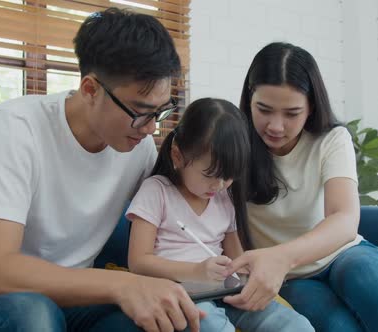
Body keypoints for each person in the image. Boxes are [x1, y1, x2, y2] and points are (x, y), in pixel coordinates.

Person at [0, 8, 205, 332]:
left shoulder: (136, 148)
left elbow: (183, 211)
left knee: (161, 318)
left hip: (69, 304)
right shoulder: (15, 128)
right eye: (140, 112)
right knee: (34, 315)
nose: (150, 129)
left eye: (161, 112)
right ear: (90, 90)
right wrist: (119, 284)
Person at [222, 42, 378, 332]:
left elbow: (344, 219)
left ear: (311, 107)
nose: (276, 126)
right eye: (264, 110)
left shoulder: (331, 139)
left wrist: (282, 256)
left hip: (342, 254)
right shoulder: (233, 143)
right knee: (337, 326)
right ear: (249, 99)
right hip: (292, 277)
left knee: (368, 278)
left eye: (291, 113)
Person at [126, 98, 314, 332]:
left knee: (295, 325)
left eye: (229, 176)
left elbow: (236, 258)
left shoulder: (225, 197)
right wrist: (195, 271)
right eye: (210, 174)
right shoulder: (157, 191)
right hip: (178, 293)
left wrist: (249, 273)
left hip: (224, 290)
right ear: (177, 156)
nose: (219, 185)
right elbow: (138, 262)